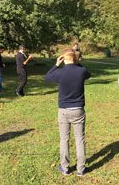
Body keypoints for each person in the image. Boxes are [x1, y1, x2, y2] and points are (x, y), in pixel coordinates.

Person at [44, 48, 91, 176]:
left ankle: (65, 168)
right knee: (79, 139)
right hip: (78, 110)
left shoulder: (60, 72)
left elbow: (47, 77)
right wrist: (77, 63)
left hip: (64, 110)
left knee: (64, 139)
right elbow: (89, 74)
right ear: (75, 59)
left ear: (64, 59)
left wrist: (56, 65)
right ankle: (81, 169)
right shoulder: (81, 71)